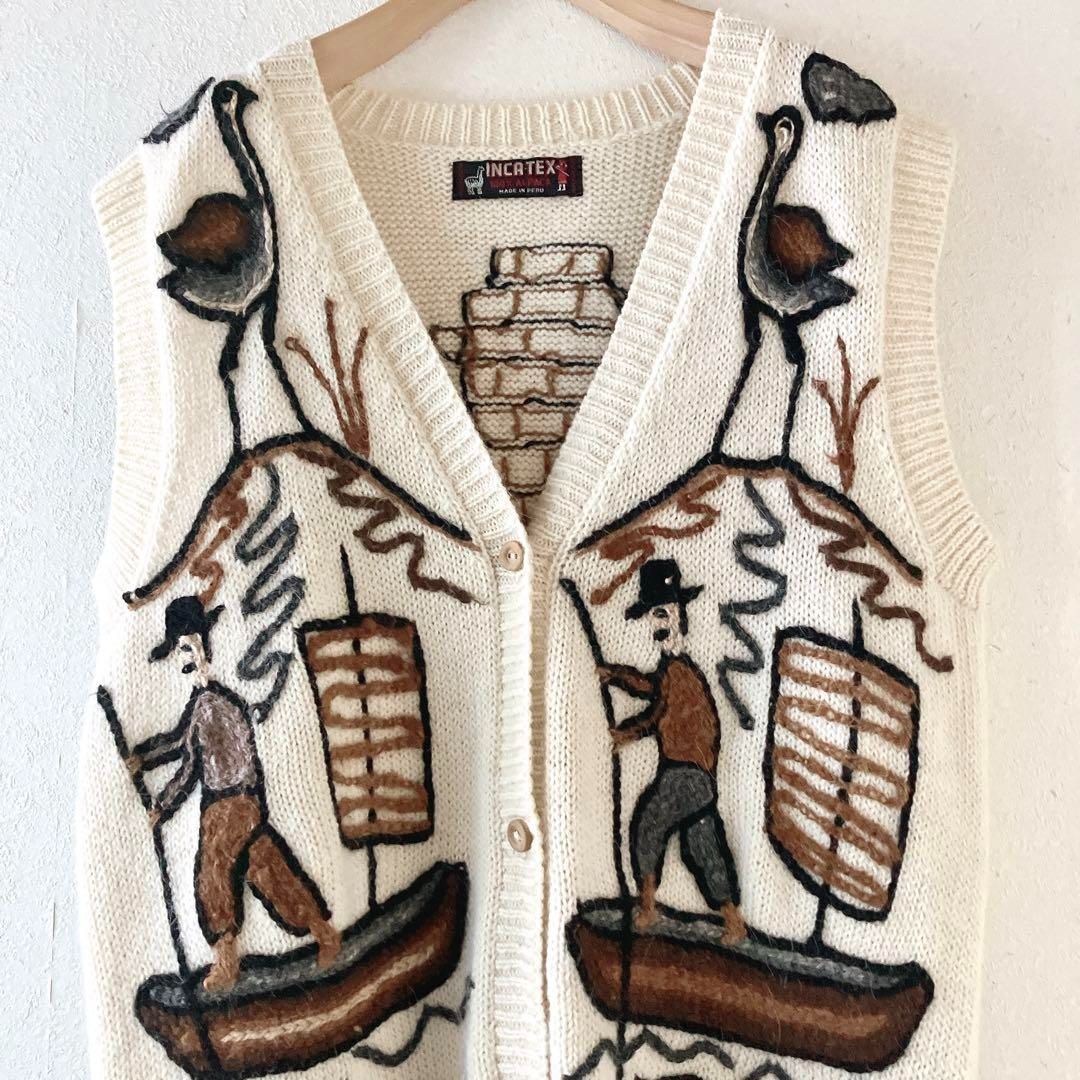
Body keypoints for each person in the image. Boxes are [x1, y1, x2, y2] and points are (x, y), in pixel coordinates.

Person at [128, 595, 341, 991]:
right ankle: (324, 933)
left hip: (228, 803)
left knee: (214, 870)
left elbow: (189, 763)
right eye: (179, 652)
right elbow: (178, 742)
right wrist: (142, 757)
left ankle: (227, 960)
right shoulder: (207, 703)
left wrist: (163, 805)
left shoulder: (213, 706)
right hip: (244, 800)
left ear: (205, 649)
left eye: (189, 649)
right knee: (266, 866)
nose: (185, 659)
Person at [597, 559, 746, 942]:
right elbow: (649, 687)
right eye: (654, 616)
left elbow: (659, 712)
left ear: (680, 615)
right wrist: (616, 674)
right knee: (702, 843)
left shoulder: (681, 672)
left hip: (685, 773)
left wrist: (629, 733)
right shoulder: (671, 669)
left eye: (663, 613)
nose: (658, 624)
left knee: (649, 822)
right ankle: (732, 919)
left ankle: (647, 906)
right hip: (697, 776)